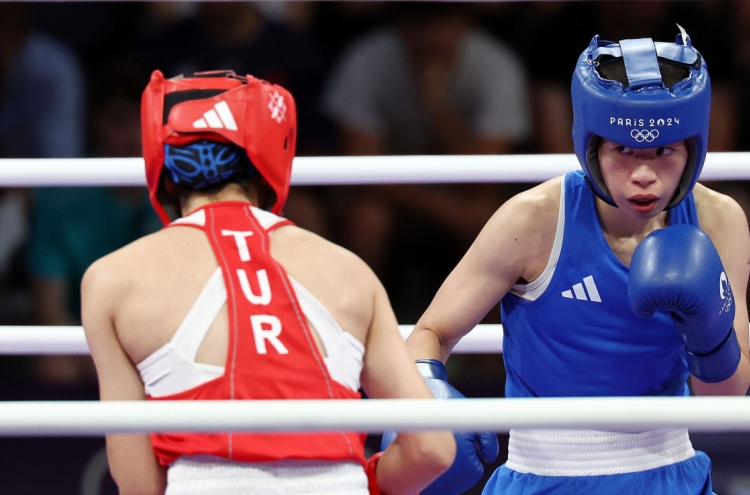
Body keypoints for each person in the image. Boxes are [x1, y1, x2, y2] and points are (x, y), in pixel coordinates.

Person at [405, 28, 750, 494]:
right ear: (592, 146)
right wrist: (430, 398)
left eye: (664, 151)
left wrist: (707, 331)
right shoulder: (533, 221)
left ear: (692, 147)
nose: (644, 175)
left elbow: (725, 399)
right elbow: (430, 332)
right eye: (623, 150)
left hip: (672, 473)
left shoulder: (718, 220)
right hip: (544, 476)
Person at [81, 70, 455, 495]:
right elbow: (433, 449)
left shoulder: (112, 279)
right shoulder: (349, 270)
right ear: (268, 159)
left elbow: (138, 485)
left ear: (164, 167)